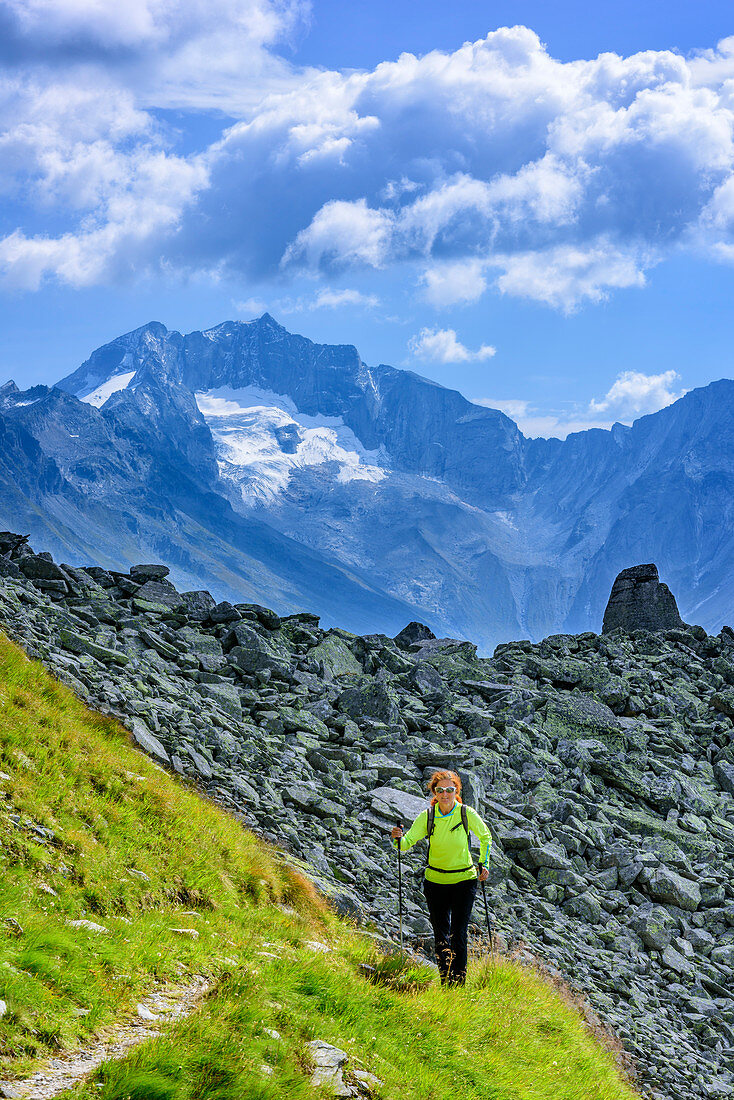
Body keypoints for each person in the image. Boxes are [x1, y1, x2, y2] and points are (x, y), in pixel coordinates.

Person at [390, 770, 492, 987]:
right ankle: (446, 982)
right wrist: (397, 839)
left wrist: (484, 863)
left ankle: (457, 985)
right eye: (440, 790)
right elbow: (405, 843)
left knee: (458, 934)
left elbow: (485, 836)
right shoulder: (428, 816)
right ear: (434, 792)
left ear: (457, 791)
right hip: (435, 883)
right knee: (441, 936)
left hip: (464, 881)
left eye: (450, 790)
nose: (445, 794)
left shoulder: (466, 813)